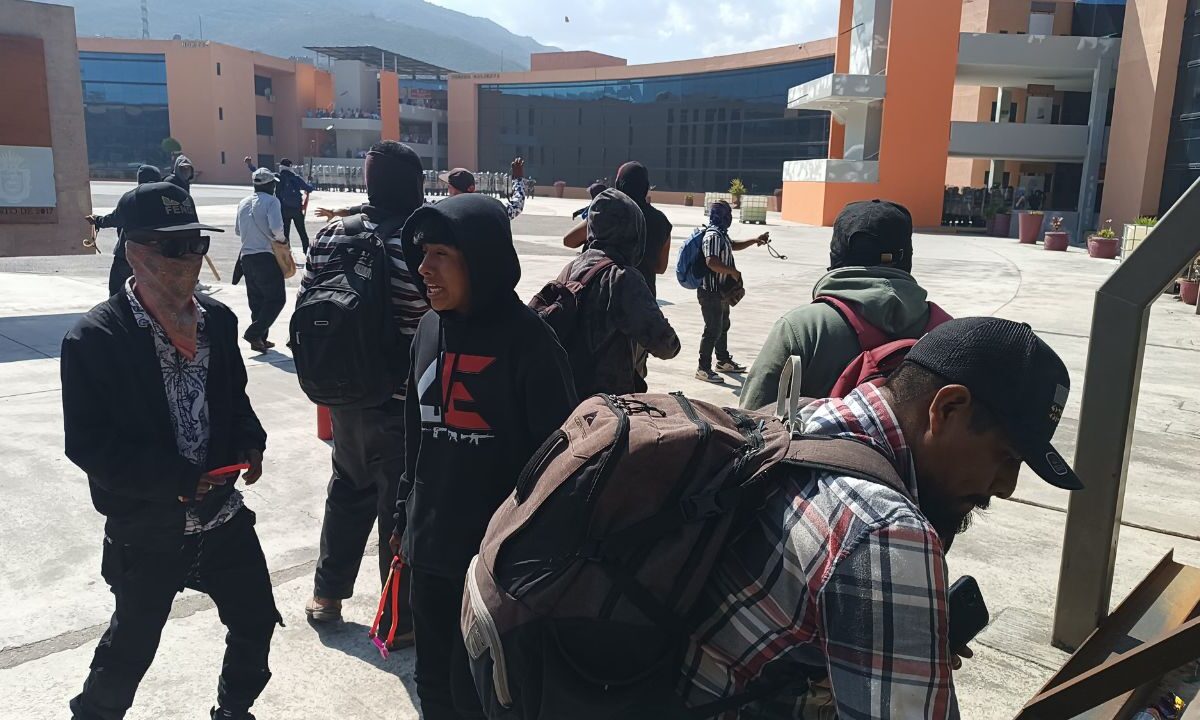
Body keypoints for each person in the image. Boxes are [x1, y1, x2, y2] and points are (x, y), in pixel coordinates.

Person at [681, 317, 1083, 718]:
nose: (1007, 486)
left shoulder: (808, 418)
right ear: (947, 408)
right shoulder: (885, 531)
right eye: (1007, 457)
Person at [62, 181, 277, 720]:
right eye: (172, 247)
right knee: (128, 652)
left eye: (196, 245)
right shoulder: (96, 339)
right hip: (149, 528)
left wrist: (250, 443)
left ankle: (233, 711)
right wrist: (176, 480)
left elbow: (235, 401)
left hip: (222, 518)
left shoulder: (219, 324)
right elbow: (89, 444)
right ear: (134, 249)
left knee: (255, 622)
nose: (188, 260)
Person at [395, 193, 578, 720]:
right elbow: (415, 430)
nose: (423, 268)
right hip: (429, 547)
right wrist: (402, 512)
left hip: (495, 563)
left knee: (478, 693)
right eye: (421, 253)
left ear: (482, 260)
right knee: (431, 681)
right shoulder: (429, 328)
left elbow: (558, 465)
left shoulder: (531, 345)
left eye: (440, 256)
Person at [302, 141, 429, 649]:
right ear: (416, 185)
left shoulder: (331, 233)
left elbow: (311, 297)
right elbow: (431, 310)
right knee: (398, 502)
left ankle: (327, 596)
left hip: (341, 392)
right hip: (399, 395)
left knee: (347, 485)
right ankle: (396, 617)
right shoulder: (416, 240)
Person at [740, 199, 943, 409]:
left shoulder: (802, 328)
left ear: (836, 253)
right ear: (906, 254)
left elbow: (750, 422)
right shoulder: (949, 332)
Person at [551, 188, 680, 396]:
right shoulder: (623, 277)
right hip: (606, 404)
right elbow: (664, 344)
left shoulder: (571, 268)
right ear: (633, 230)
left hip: (567, 392)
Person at [695, 200, 769, 384]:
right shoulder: (712, 235)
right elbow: (711, 261)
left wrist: (754, 240)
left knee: (723, 325)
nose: (730, 218)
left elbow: (732, 245)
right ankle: (703, 368)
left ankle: (723, 360)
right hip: (710, 291)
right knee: (712, 329)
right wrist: (732, 271)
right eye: (728, 214)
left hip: (721, 292)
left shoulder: (721, 234)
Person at [233, 168, 287, 353]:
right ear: (270, 184)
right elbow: (277, 228)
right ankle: (254, 333)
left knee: (257, 301)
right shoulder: (272, 201)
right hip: (265, 256)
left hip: (246, 258)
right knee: (276, 299)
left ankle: (260, 340)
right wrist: (282, 241)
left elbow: (238, 231)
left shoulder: (243, 202)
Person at [88, 164, 161, 296]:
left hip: (127, 255)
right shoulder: (165, 200)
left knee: (117, 293)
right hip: (156, 255)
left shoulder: (133, 197)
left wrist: (97, 221)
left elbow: (116, 219)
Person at [276, 158, 316, 252]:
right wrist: (310, 182)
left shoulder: (278, 177)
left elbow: (263, 174)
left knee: (285, 233)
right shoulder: (296, 177)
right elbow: (309, 189)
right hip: (297, 209)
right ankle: (306, 251)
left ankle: (287, 253)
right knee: (302, 232)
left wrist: (250, 166)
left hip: (284, 210)